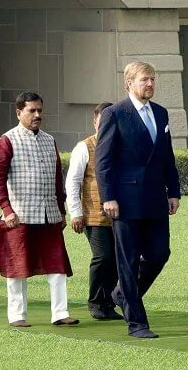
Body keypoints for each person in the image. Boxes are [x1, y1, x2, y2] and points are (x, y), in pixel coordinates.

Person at [0, 92, 78, 328]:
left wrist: (61, 210)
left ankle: (60, 313)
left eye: (40, 110)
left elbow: (56, 179)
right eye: (32, 110)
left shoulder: (49, 140)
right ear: (19, 112)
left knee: (57, 265)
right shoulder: (7, 140)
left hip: (49, 213)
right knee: (16, 267)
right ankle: (16, 315)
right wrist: (7, 210)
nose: (37, 115)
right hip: (19, 215)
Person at [95, 61, 181, 338]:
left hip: (156, 197)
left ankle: (122, 294)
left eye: (153, 79)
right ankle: (137, 323)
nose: (151, 84)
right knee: (128, 261)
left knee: (160, 253)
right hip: (126, 200)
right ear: (129, 82)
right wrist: (108, 197)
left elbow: (167, 156)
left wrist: (174, 191)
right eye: (145, 79)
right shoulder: (114, 113)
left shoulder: (161, 112)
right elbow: (103, 161)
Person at [66, 102, 122, 321]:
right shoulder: (85, 146)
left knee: (119, 258)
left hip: (120, 214)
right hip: (93, 215)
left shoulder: (122, 145)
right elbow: (73, 181)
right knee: (103, 256)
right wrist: (75, 213)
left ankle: (110, 302)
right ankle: (96, 302)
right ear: (95, 122)